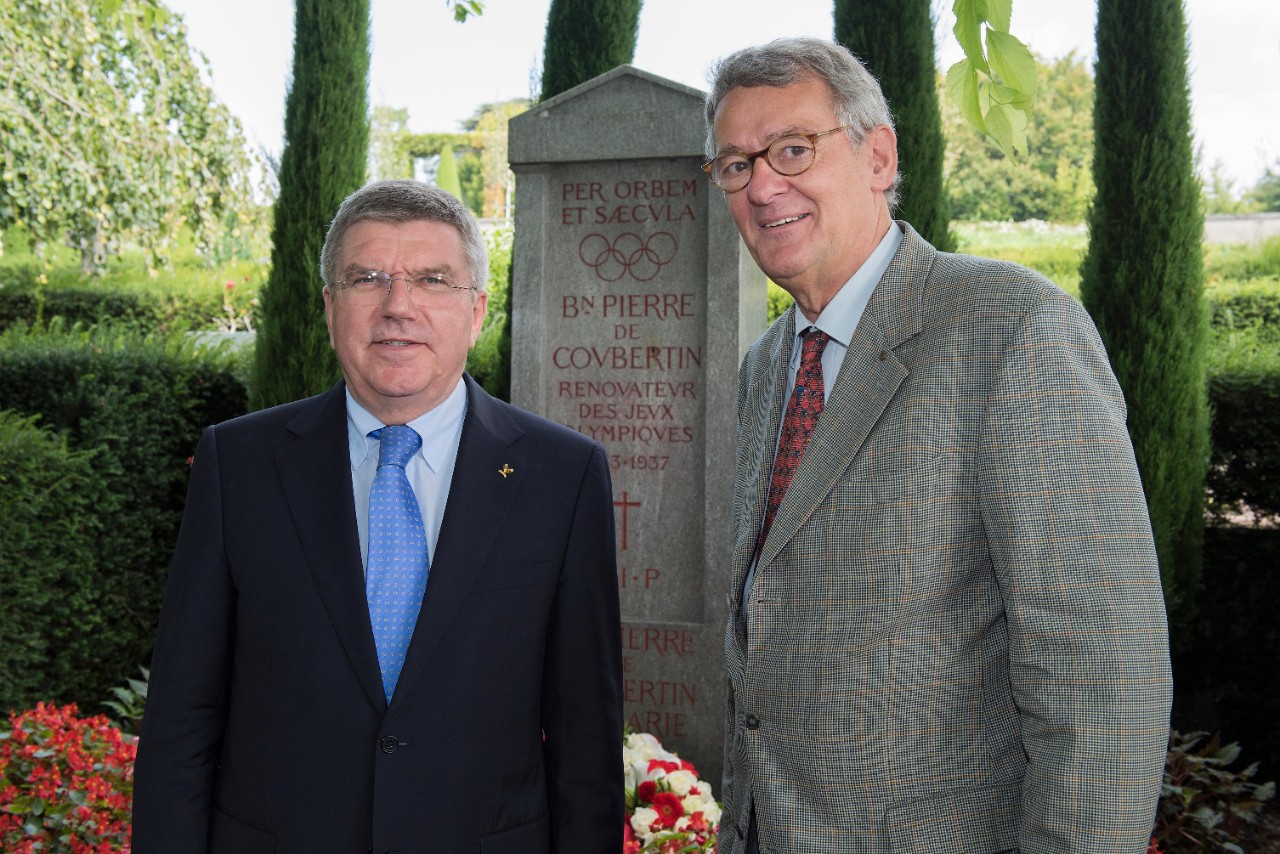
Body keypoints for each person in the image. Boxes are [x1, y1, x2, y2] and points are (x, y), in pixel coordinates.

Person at [704, 38, 1172, 853]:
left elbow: (1102, 680)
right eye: (736, 165)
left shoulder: (1011, 328)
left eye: (792, 149)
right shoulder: (766, 366)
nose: (762, 184)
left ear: (878, 155)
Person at [132, 180, 623, 853]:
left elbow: (586, 741)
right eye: (368, 279)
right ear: (331, 307)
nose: (399, 307)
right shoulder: (238, 464)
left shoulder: (562, 477)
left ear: (477, 310)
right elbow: (181, 719)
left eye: (432, 279)